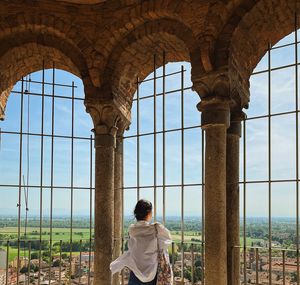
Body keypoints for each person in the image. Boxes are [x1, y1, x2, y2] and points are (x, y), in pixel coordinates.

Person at [110, 199, 172, 285]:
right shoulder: (156, 228)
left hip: (135, 272)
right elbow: (167, 241)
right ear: (149, 213)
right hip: (152, 274)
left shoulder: (132, 229)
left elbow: (132, 248)